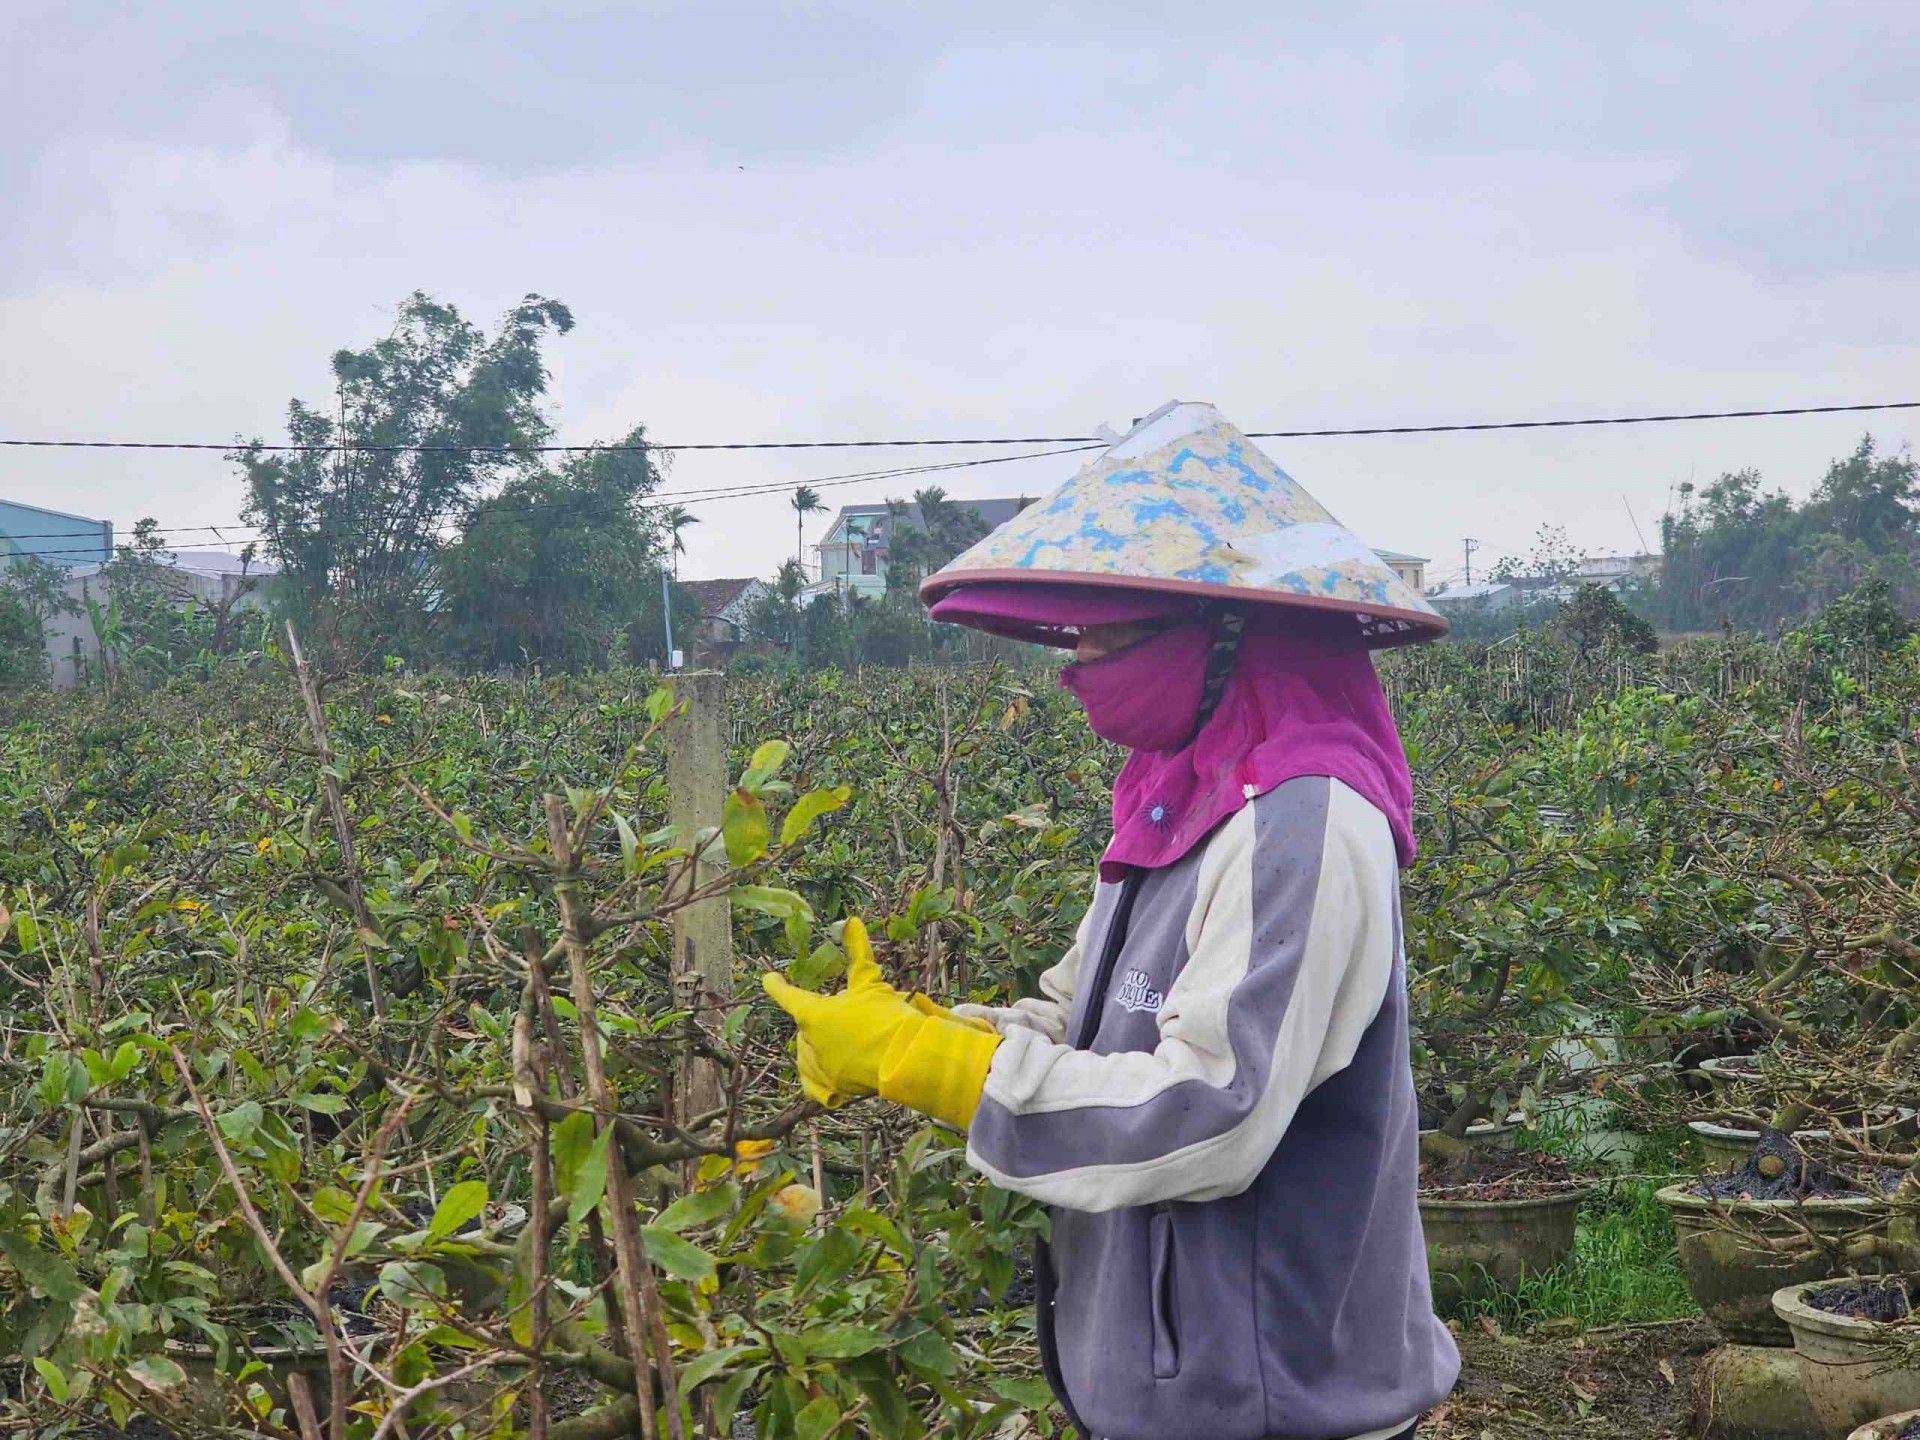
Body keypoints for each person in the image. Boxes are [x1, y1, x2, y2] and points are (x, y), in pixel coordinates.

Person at [762, 402, 1460, 1440]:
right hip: (1180, 1383)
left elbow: (1214, 1107)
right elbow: (1083, 1015)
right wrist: (922, 1034)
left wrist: (937, 1067)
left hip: (1275, 1399)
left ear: (1226, 627)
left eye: (1108, 621)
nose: (1077, 656)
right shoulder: (1181, 792)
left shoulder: (1305, 821)